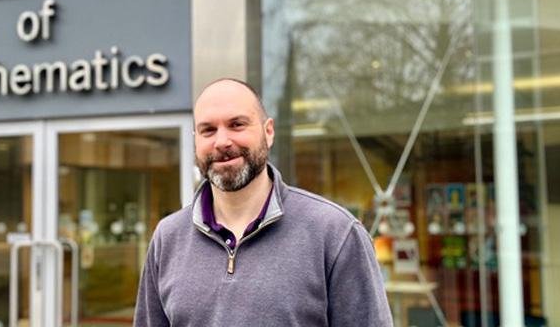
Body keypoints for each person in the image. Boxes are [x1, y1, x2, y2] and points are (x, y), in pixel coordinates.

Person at [134, 78, 393, 326]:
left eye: (237, 124)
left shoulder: (335, 233)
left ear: (268, 132)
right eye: (208, 130)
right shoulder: (168, 238)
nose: (222, 141)